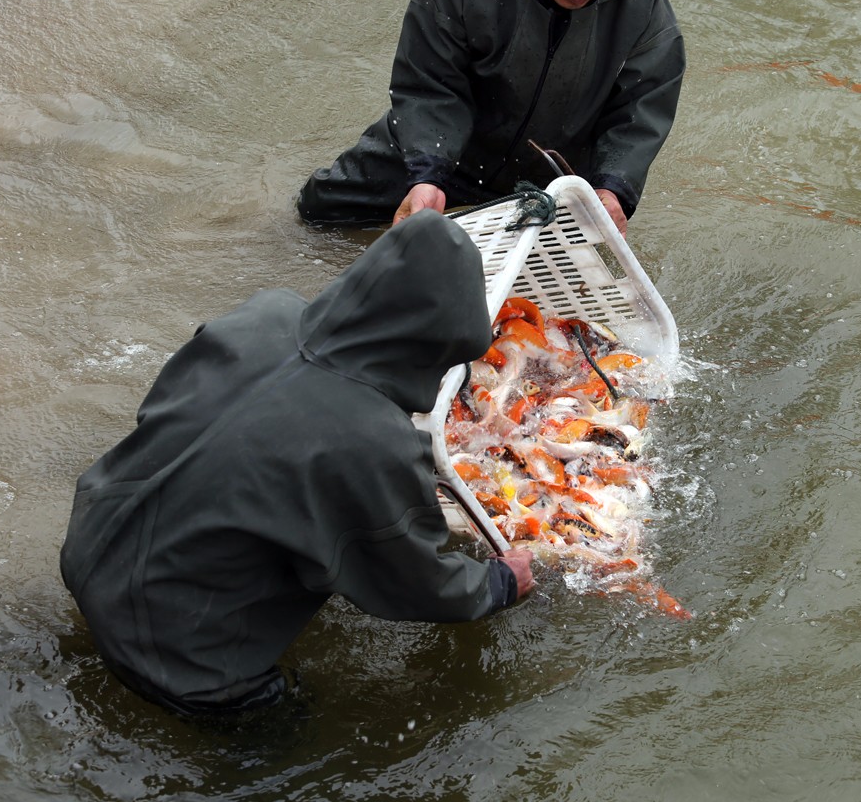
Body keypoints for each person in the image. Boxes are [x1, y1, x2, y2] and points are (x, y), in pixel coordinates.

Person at [59, 210, 535, 716]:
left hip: (90, 548)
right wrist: (500, 583)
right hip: (179, 662)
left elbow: (161, 414)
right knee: (301, 745)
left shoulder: (262, 314)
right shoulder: (369, 439)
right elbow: (412, 580)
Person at [296, 0, 685, 238]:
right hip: (450, 157)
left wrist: (611, 186)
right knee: (316, 211)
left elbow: (643, 104)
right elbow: (430, 85)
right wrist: (428, 174)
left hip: (549, 179)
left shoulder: (643, 2)